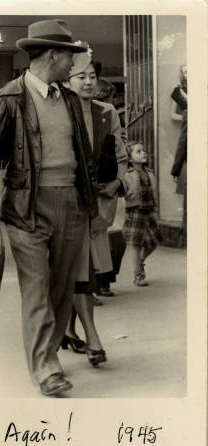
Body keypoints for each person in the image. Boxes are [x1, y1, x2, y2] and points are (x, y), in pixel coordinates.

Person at [0, 19, 97, 396]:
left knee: (60, 288)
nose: (73, 65)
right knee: (37, 289)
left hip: (71, 202)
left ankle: (50, 350)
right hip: (26, 207)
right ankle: (45, 369)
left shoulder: (70, 99)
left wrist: (92, 201)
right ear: (53, 55)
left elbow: (83, 156)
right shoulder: (8, 98)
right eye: (69, 57)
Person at [62, 45, 127, 365]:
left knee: (82, 270)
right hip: (66, 205)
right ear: (67, 80)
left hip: (98, 204)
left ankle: (70, 331)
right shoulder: (59, 110)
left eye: (92, 76)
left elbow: (121, 157)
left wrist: (116, 184)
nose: (88, 82)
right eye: (80, 76)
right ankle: (91, 336)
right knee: (78, 271)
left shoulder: (107, 112)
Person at [122, 141, 162, 286]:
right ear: (130, 158)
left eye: (144, 150)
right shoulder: (127, 174)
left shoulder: (150, 173)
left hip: (149, 210)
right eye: (138, 151)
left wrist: (156, 210)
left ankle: (140, 261)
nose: (143, 153)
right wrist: (123, 213)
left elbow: (154, 194)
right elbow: (122, 196)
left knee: (154, 242)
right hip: (135, 211)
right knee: (136, 244)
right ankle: (137, 275)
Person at [170, 64, 187, 247]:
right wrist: (188, 116)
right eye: (185, 70)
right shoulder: (178, 91)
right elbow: (172, 115)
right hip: (185, 133)